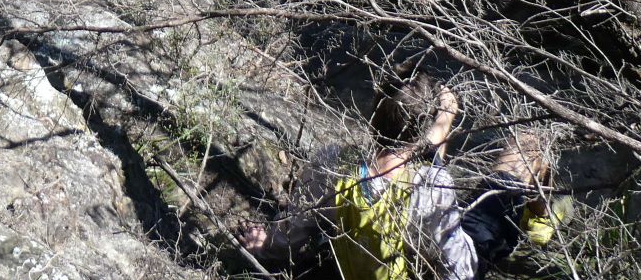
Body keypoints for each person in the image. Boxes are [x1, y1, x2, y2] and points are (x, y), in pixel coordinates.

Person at [238, 77, 560, 280]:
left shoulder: (333, 161)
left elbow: (299, 227)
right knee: (532, 143)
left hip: (365, 260)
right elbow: (459, 269)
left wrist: (269, 243)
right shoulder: (432, 187)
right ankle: (539, 221)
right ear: (422, 135)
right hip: (450, 249)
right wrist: (446, 112)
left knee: (427, 171)